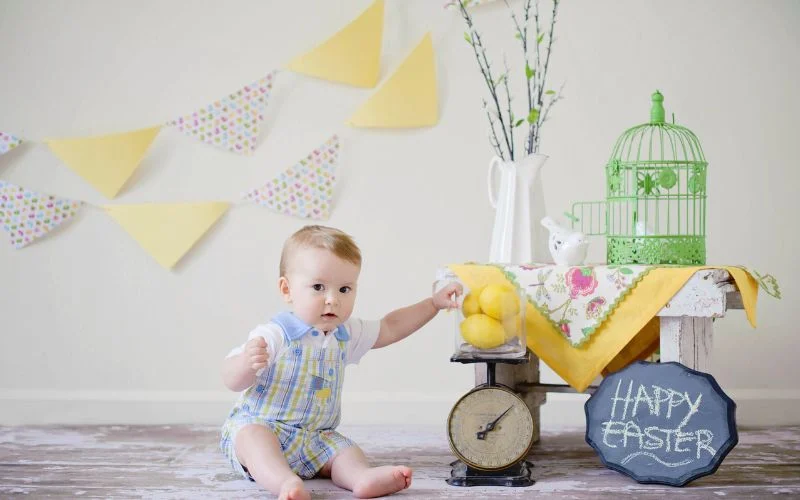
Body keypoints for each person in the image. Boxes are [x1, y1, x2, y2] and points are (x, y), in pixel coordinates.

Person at [220, 225, 461, 499]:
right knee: (253, 439)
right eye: (318, 287)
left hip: (316, 438)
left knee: (345, 451)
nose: (333, 300)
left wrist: (433, 304)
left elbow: (391, 327)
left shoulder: (345, 333)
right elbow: (230, 378)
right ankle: (285, 482)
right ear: (287, 289)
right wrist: (245, 364)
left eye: (345, 289)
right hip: (265, 427)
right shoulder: (275, 335)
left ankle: (361, 478)